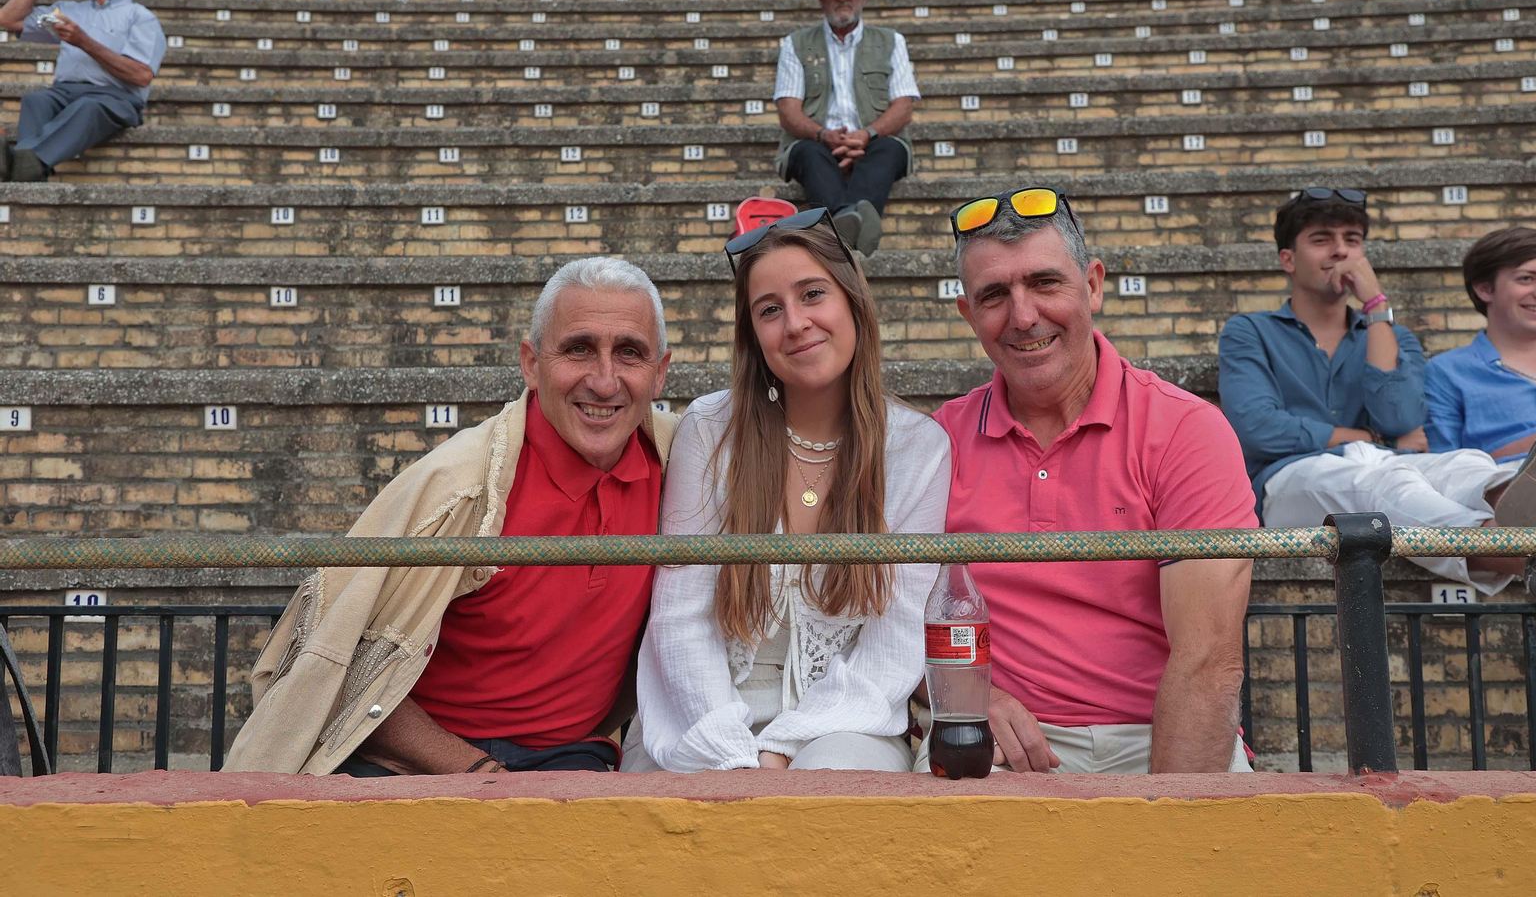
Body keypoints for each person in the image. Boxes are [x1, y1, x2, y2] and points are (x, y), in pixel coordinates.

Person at [224, 259, 678, 775]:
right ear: (530, 364)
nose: (603, 380)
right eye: (578, 349)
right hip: (410, 763)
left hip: (570, 759)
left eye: (629, 353)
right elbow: (338, 665)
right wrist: (480, 774)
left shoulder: (683, 467)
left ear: (660, 372)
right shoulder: (454, 488)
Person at [928, 187, 1257, 774]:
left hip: (1156, 735)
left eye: (1045, 283)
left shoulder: (1185, 430)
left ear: (1094, 285)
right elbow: (884, 618)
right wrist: (964, 698)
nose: (1023, 316)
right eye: (994, 295)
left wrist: (1170, 819)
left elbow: (1206, 661)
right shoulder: (938, 441)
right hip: (999, 739)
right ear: (968, 314)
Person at [624, 207, 951, 773]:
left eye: (812, 294)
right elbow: (679, 616)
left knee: (832, 791)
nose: (795, 323)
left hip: (845, 719)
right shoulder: (710, 429)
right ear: (754, 335)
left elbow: (894, 641)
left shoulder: (918, 448)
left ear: (852, 301)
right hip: (700, 712)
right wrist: (733, 757)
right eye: (769, 310)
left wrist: (781, 750)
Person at [1217, 190, 1536, 607]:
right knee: (1385, 487)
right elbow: (1258, 428)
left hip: (1384, 459)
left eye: (1353, 240)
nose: (1341, 251)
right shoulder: (1249, 331)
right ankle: (1530, 558)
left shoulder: (1392, 336)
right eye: (1322, 239)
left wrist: (1376, 308)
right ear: (1288, 259)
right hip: (1288, 480)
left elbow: (1399, 417)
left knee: (1466, 465)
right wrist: (1370, 438)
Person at [1425, 226, 1536, 607]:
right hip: (1504, 496)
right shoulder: (1446, 372)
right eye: (1527, 279)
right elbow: (1441, 466)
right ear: (1485, 289)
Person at [773, 0, 919, 257]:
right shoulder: (795, 44)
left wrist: (866, 134)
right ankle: (854, 232)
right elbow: (788, 111)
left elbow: (903, 106)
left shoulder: (892, 41)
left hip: (875, 140)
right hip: (816, 143)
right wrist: (824, 135)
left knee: (889, 149)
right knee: (809, 154)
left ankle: (836, 235)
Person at [0, 0, 164, 182]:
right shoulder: (68, 10)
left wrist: (83, 41)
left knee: (88, 106)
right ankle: (27, 170)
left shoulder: (140, 17)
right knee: (36, 100)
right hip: (63, 93)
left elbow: (141, 75)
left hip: (116, 98)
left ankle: (20, 161)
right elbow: (7, 18)